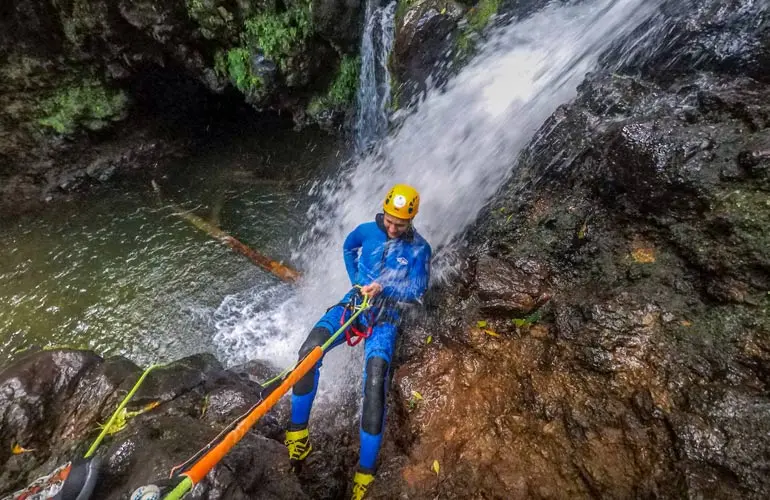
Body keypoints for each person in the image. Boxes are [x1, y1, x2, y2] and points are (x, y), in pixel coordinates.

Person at [285, 184, 432, 499]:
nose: (392, 229)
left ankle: (364, 474)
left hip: (385, 319)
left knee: (375, 384)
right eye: (389, 221)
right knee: (309, 351)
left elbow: (418, 292)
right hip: (353, 305)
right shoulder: (367, 231)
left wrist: (385, 290)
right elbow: (347, 248)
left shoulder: (420, 249)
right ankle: (297, 434)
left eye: (400, 225)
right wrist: (357, 281)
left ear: (411, 221)